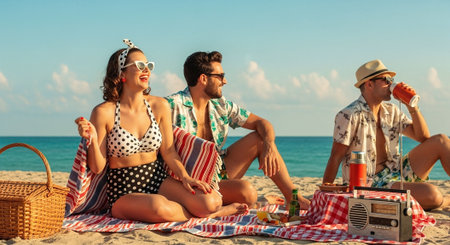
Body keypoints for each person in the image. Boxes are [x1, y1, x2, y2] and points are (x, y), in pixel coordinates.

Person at [74, 40, 247, 223]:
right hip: (124, 190)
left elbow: (169, 151)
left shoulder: (159, 106)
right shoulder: (103, 112)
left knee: (210, 201)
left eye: (149, 65)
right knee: (159, 207)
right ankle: (214, 215)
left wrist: (185, 177)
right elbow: (97, 167)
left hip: (157, 179)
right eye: (140, 65)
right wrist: (91, 138)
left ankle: (209, 211)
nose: (146, 70)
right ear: (122, 72)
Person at [165, 51, 310, 209]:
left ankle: (294, 199)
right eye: (220, 76)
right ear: (203, 79)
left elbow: (261, 122)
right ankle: (254, 202)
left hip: (217, 172)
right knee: (247, 192)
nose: (225, 81)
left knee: (260, 139)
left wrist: (269, 144)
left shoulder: (221, 105)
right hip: (186, 180)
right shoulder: (170, 106)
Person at [322, 59, 450, 210]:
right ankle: (446, 200)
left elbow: (422, 137)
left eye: (392, 80)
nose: (391, 84)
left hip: (396, 171)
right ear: (369, 84)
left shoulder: (392, 111)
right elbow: (336, 156)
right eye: (386, 80)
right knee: (433, 195)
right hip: (371, 184)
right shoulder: (349, 115)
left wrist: (412, 107)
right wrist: (324, 194)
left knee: (441, 140)